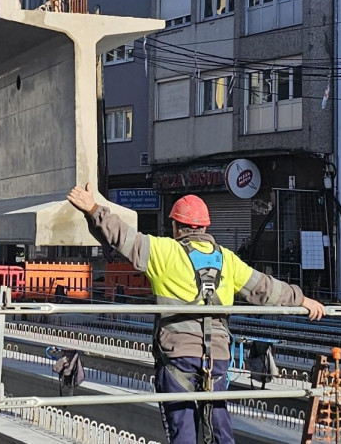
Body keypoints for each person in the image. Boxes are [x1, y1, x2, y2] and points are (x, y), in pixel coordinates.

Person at [67, 184, 324, 444]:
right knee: (219, 426)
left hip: (177, 358)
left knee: (183, 431)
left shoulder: (164, 251)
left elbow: (122, 237)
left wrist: (92, 209)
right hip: (218, 359)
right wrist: (302, 299)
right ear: (205, 228)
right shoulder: (228, 259)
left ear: (177, 227)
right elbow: (266, 289)